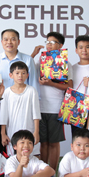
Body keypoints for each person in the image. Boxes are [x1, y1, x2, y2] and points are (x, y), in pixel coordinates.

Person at [32, 32, 71, 163]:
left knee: (54, 143)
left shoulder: (65, 63)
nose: (49, 44)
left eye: (52, 42)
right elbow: (26, 70)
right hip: (40, 108)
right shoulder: (40, 61)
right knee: (43, 143)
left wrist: (51, 83)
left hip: (56, 108)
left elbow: (68, 86)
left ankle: (52, 175)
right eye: (47, 42)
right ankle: (44, 174)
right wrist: (33, 54)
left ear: (60, 45)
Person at [0, 61, 42, 160]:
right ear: (11, 75)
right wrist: (3, 133)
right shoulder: (7, 92)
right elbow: (3, 114)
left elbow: (36, 112)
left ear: (27, 75)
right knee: (14, 158)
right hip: (12, 131)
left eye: (23, 73)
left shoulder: (31, 90)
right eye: (17, 73)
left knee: (33, 157)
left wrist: (36, 131)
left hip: (29, 129)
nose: (20, 76)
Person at [0, 28, 36, 96]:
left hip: (22, 100)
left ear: (18, 42)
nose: (9, 42)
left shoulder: (28, 60)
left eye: (13, 39)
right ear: (2, 42)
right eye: (6, 39)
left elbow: (33, 83)